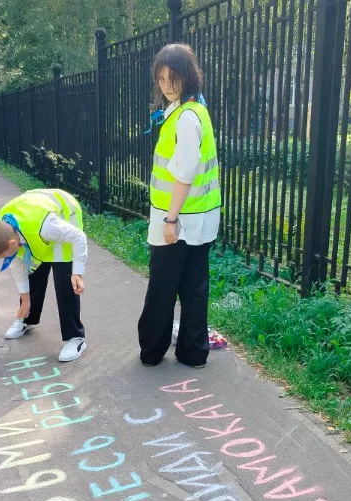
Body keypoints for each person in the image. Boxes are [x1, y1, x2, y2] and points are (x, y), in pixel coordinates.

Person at [138, 43, 221, 369]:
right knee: (194, 285)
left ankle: (152, 350)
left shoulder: (186, 117)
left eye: (173, 78)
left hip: (178, 218)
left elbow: (184, 174)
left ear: (189, 76)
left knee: (162, 286)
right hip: (201, 218)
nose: (167, 85)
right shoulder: (195, 109)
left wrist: (170, 220)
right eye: (161, 79)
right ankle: (192, 351)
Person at [0, 188, 89, 362]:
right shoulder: (2, 230)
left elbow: (79, 238)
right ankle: (27, 319)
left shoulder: (48, 228)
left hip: (63, 218)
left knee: (66, 282)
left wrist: (77, 273)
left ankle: (76, 338)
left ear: (13, 243)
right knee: (32, 270)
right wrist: (25, 300)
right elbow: (19, 268)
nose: (2, 259)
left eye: (1, 256)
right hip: (33, 226)